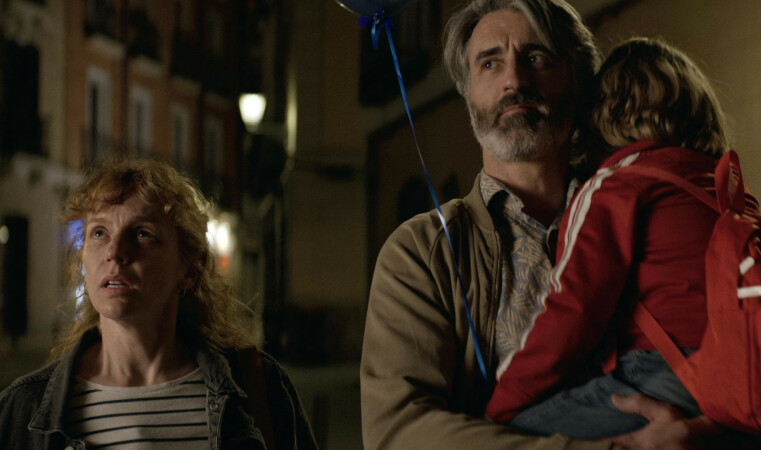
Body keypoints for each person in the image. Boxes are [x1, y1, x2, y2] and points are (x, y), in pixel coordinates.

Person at [361, 1, 718, 449]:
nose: (515, 80)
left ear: (576, 80)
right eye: (490, 63)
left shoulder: (650, 211)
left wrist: (711, 432)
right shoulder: (422, 252)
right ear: (467, 93)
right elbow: (397, 432)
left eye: (536, 58)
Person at [485, 37, 760, 439]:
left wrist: (499, 408)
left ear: (602, 114)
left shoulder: (617, 184)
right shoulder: (724, 188)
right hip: (752, 370)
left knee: (502, 440)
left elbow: (573, 311)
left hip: (669, 371)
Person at [0, 159, 318, 449]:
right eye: (99, 233)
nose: (115, 252)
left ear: (190, 268)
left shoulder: (259, 389)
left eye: (142, 234)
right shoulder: (22, 410)